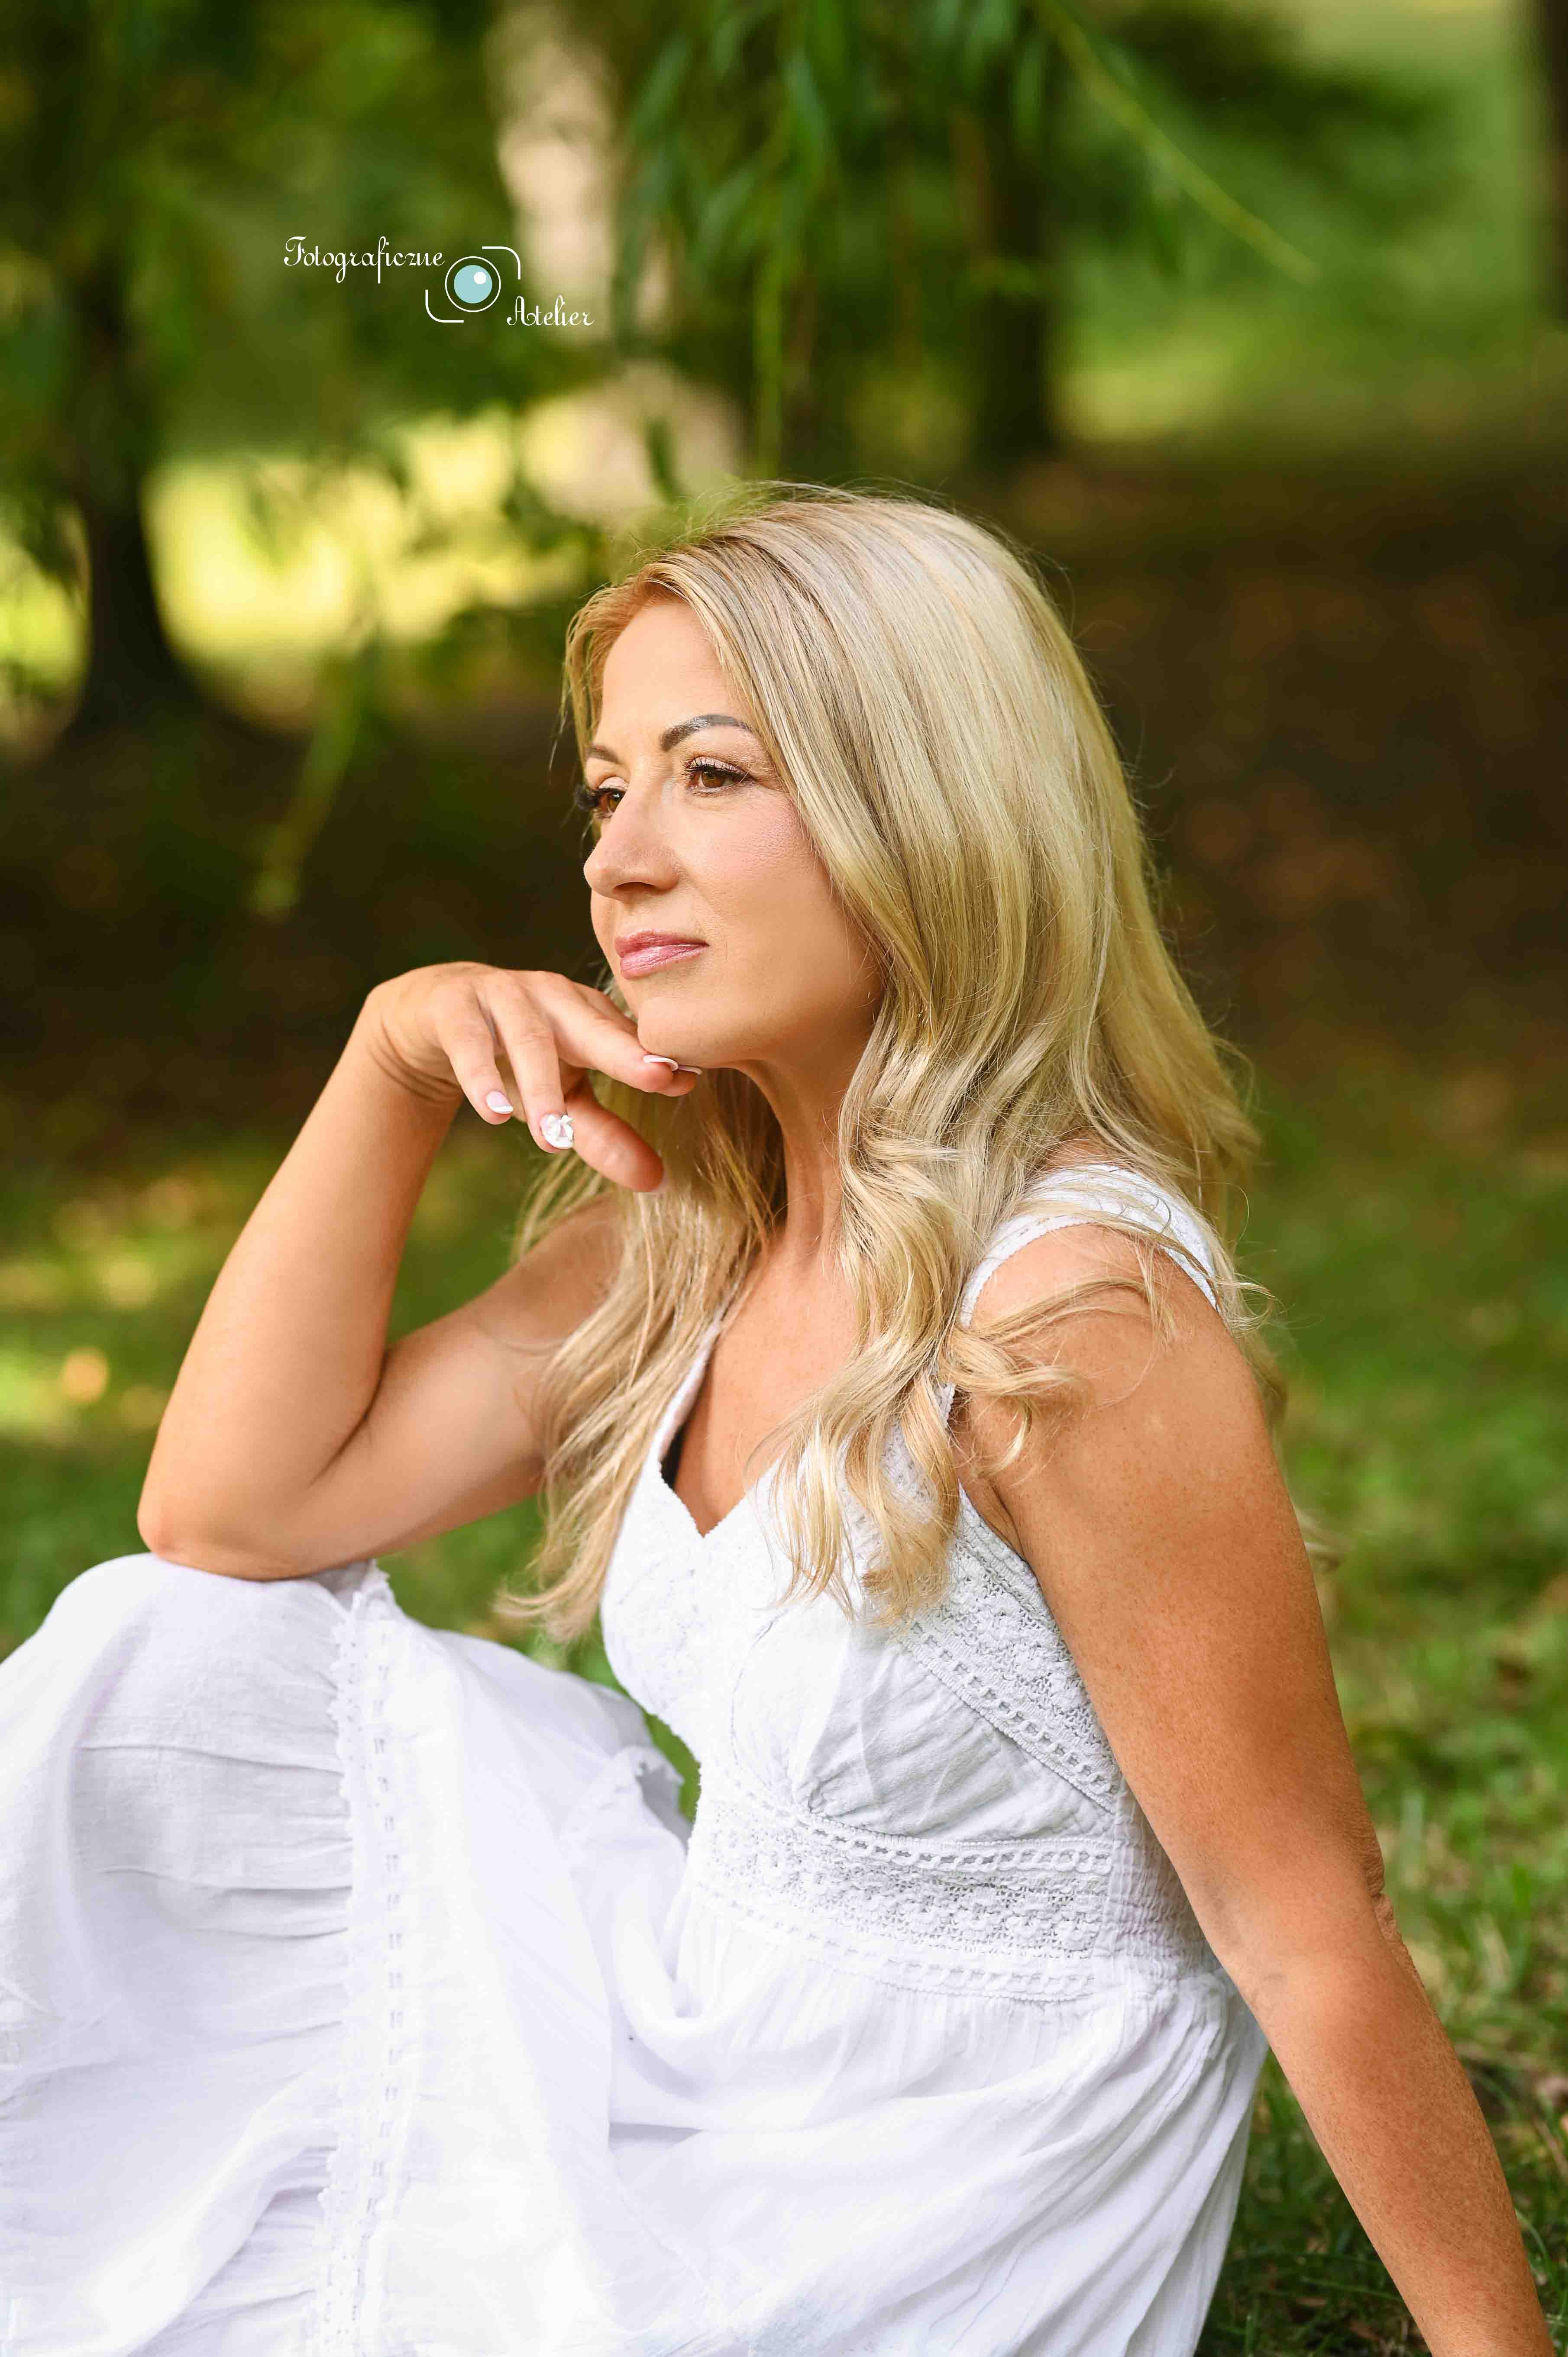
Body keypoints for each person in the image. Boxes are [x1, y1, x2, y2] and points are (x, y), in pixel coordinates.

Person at [0, 485, 1551, 2357]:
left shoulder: (1069, 1319)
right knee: (161, 1650)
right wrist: (390, 1063)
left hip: (937, 2176)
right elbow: (230, 1518)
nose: (619, 859)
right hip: (705, 2041)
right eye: (606, 792)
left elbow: (1304, 1919)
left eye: (712, 774)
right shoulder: (687, 1242)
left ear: (931, 812)